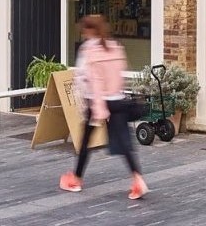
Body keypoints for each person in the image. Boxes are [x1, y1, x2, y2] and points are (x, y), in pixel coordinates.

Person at [59, 14, 148, 200]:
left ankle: (76, 179)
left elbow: (88, 80)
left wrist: (96, 107)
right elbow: (120, 75)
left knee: (85, 142)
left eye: (84, 29)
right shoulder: (115, 47)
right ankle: (137, 178)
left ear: (89, 30)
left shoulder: (89, 50)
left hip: (97, 100)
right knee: (125, 142)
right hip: (117, 99)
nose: (83, 33)